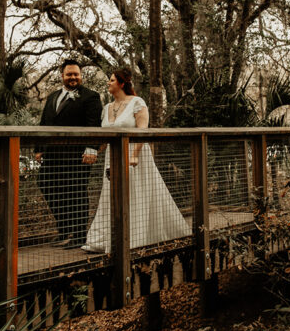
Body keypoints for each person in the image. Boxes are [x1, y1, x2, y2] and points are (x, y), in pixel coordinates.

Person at [83, 68, 190, 253]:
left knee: (134, 193)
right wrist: (94, 151)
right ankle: (108, 238)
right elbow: (103, 136)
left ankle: (134, 237)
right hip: (112, 155)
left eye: (111, 80)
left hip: (135, 154)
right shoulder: (107, 107)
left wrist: (134, 155)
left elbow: (143, 131)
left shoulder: (137, 102)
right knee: (111, 194)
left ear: (122, 83)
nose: (108, 83)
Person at [37, 59, 103, 247]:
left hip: (78, 155)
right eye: (69, 74)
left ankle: (79, 235)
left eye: (76, 74)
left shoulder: (91, 97)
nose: (73, 77)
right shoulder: (53, 96)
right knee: (45, 184)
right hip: (53, 155)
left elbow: (94, 125)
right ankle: (65, 230)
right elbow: (44, 123)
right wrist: (39, 148)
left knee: (76, 192)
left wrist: (92, 148)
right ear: (62, 76)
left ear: (81, 76)